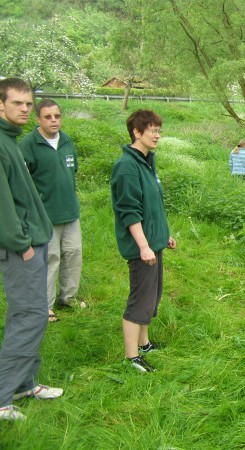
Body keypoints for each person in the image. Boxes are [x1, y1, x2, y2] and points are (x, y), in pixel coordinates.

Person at [0, 78, 63, 421]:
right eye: (17, 103)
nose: (25, 109)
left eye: (28, 103)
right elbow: (3, 206)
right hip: (20, 248)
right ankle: (1, 397)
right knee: (30, 317)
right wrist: (21, 244)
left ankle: (24, 383)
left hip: (33, 242)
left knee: (28, 315)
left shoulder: (10, 140)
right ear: (1, 105)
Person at [110, 109, 177, 373]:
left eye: (159, 130)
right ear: (137, 132)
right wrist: (143, 245)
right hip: (141, 248)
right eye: (152, 130)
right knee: (140, 299)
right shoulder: (126, 167)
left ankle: (145, 343)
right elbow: (129, 211)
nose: (157, 135)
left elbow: (153, 205)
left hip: (154, 242)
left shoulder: (148, 161)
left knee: (153, 296)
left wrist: (164, 234)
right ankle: (131, 357)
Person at [19, 99, 84, 323]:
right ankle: (44, 306)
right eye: (48, 117)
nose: (53, 120)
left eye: (57, 116)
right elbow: (22, 182)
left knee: (73, 254)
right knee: (51, 258)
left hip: (70, 211)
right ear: (38, 119)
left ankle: (68, 297)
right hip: (45, 215)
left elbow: (72, 171)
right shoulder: (29, 144)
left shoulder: (67, 141)